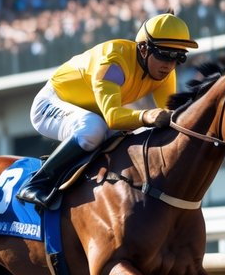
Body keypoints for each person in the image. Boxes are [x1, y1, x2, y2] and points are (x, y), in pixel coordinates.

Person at [15, 12, 198, 209]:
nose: (170, 65)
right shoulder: (113, 62)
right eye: (164, 54)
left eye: (179, 57)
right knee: (93, 128)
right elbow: (112, 117)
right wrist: (146, 115)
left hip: (94, 112)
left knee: (134, 137)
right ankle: (37, 183)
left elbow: (172, 119)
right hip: (51, 103)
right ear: (144, 49)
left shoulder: (163, 74)